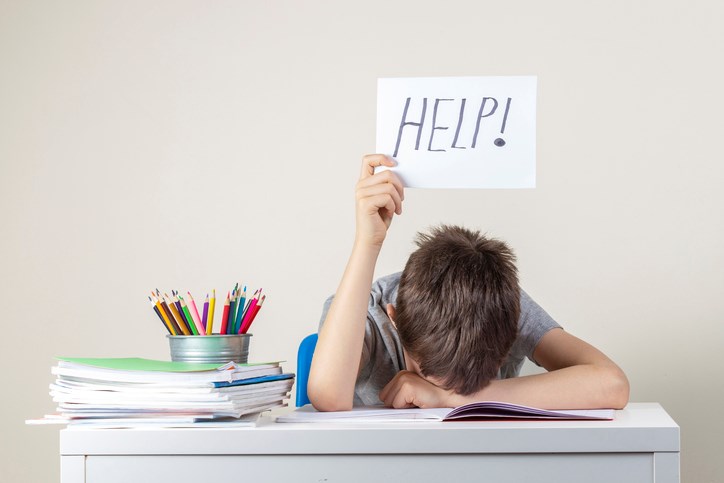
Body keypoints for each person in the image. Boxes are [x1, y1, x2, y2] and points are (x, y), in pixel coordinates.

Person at [307, 154, 629, 411]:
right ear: (394, 319)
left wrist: (452, 400)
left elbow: (611, 383)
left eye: (471, 383)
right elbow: (327, 395)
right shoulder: (363, 313)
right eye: (433, 378)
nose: (447, 391)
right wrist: (368, 241)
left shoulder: (500, 305)